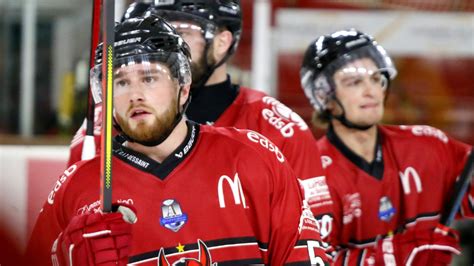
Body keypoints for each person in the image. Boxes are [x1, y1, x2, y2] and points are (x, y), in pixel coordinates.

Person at [27, 16, 329, 265]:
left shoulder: (253, 157)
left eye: (149, 78)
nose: (135, 95)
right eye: (120, 81)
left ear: (183, 88)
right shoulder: (77, 188)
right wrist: (62, 258)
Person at [67, 1, 326, 208]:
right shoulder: (109, 121)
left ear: (222, 42)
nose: (163, 41)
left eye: (179, 31)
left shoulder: (279, 128)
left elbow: (311, 235)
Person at [299, 29, 474, 265]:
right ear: (324, 96)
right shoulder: (313, 178)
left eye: (376, 78)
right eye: (354, 82)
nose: (371, 91)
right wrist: (396, 256)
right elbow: (312, 260)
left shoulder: (428, 146)